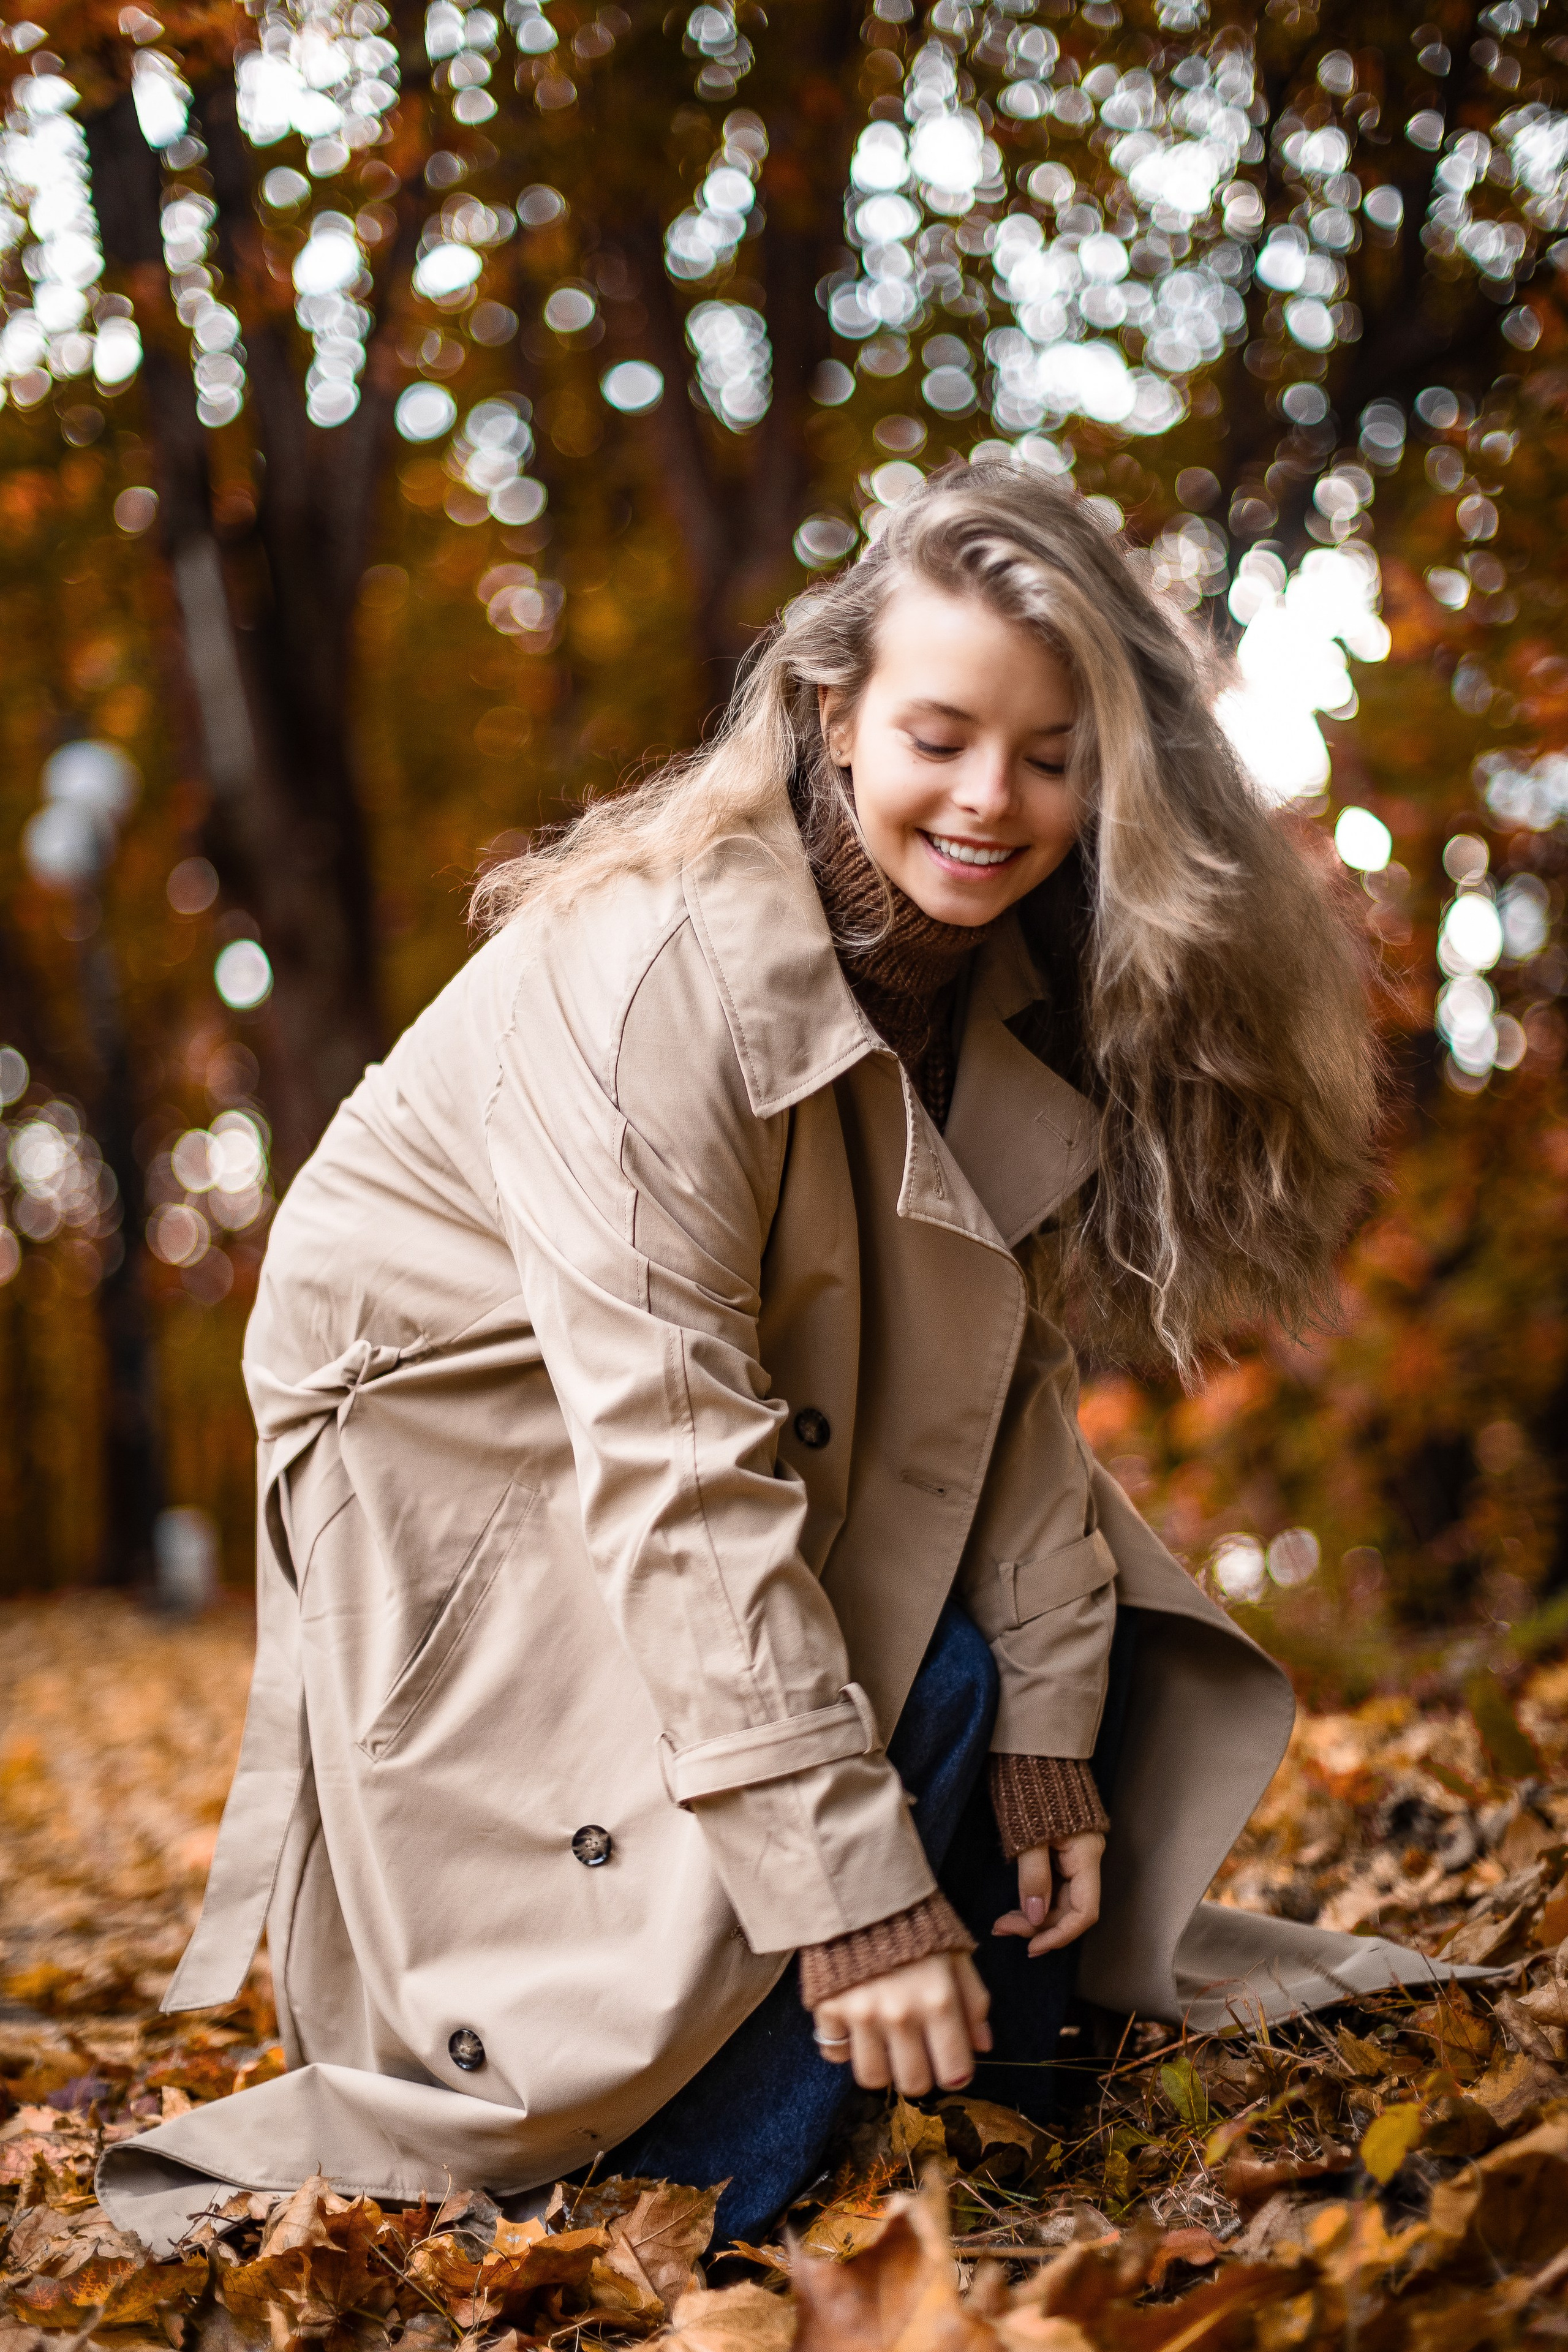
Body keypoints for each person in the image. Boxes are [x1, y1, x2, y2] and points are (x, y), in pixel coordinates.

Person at [100, 464, 1459, 2257]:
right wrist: (857, 1903)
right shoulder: (652, 980)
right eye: (940, 738)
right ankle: (684, 2180)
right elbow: (677, 1476)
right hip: (459, 1404)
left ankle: (965, 2106)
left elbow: (1000, 1392)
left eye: (1051, 759)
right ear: (833, 714)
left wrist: (1056, 1742)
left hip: (692, 1392)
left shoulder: (1001, 985)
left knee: (1055, 1663)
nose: (990, 801)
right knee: (895, 1693)